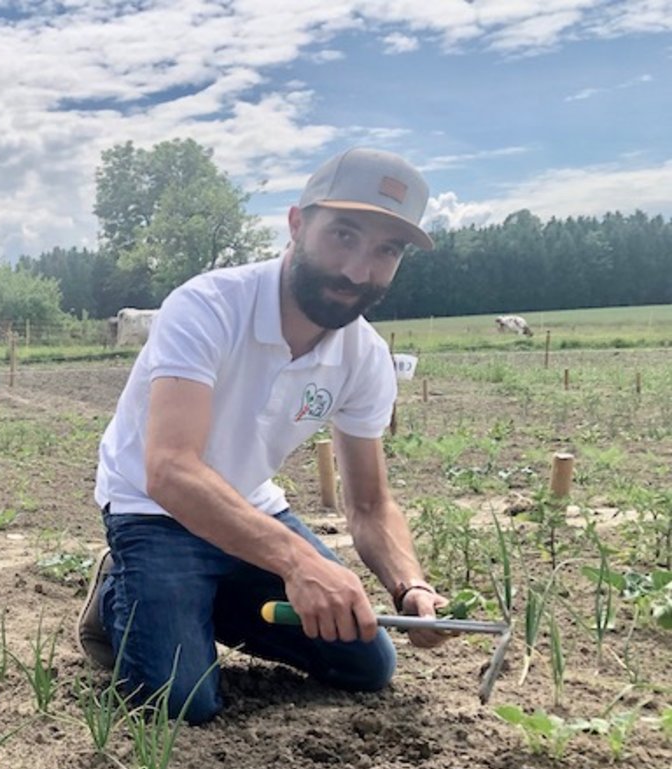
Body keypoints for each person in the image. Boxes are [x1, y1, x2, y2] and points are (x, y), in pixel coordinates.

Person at [78, 146, 454, 725]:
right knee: (179, 703)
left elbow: (372, 504)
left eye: (387, 250)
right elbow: (171, 469)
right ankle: (119, 593)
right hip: (153, 512)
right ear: (298, 224)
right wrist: (298, 563)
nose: (359, 271)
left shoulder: (365, 357)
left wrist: (411, 588)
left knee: (367, 665)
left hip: (250, 508)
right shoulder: (206, 307)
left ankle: (197, 598)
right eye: (345, 236)